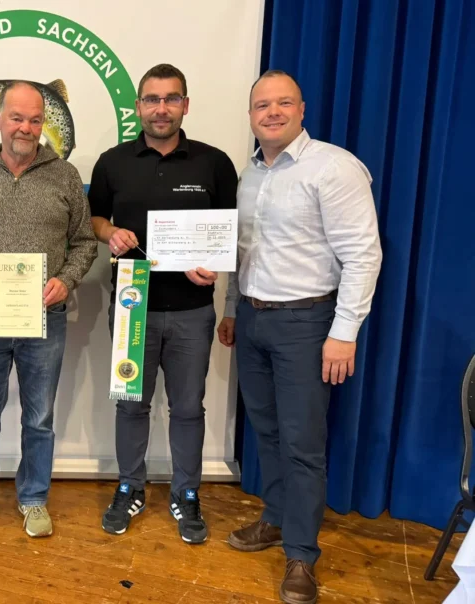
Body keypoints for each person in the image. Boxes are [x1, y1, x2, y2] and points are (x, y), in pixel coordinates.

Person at [218, 70, 383, 604]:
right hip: (254, 320)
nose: (272, 112)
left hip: (308, 326)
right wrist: (232, 309)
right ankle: (275, 518)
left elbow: (364, 255)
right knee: (267, 433)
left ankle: (301, 555)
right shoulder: (249, 175)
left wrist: (344, 332)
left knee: (303, 444)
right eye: (262, 105)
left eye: (283, 103)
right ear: (251, 115)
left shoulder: (334, 167)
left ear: (302, 109)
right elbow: (241, 250)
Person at [88, 63, 238, 541]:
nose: (161, 108)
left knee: (188, 407)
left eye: (171, 98)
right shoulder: (112, 162)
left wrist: (212, 262)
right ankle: (129, 486)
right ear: (138, 106)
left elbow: (229, 233)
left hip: (193, 310)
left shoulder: (214, 163)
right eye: (152, 99)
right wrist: (110, 232)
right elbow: (94, 218)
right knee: (131, 405)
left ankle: (186, 493)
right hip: (132, 305)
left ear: (185, 105)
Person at [0, 81, 97, 541]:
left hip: (45, 320)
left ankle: (33, 498)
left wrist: (65, 280)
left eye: (34, 119)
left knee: (39, 419)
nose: (26, 128)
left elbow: (85, 242)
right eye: (16, 118)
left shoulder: (64, 176)